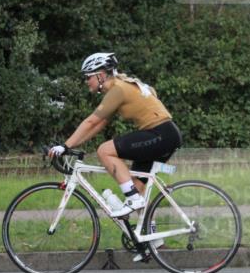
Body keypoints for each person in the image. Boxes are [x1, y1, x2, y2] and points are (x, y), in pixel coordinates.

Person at [47, 52, 182, 219]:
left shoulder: (118, 90)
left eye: (88, 77)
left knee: (104, 150)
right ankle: (152, 238)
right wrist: (70, 145)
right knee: (135, 186)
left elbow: (90, 122)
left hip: (159, 133)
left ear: (101, 75)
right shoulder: (122, 85)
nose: (86, 81)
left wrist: (64, 146)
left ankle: (133, 200)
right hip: (166, 134)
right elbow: (97, 124)